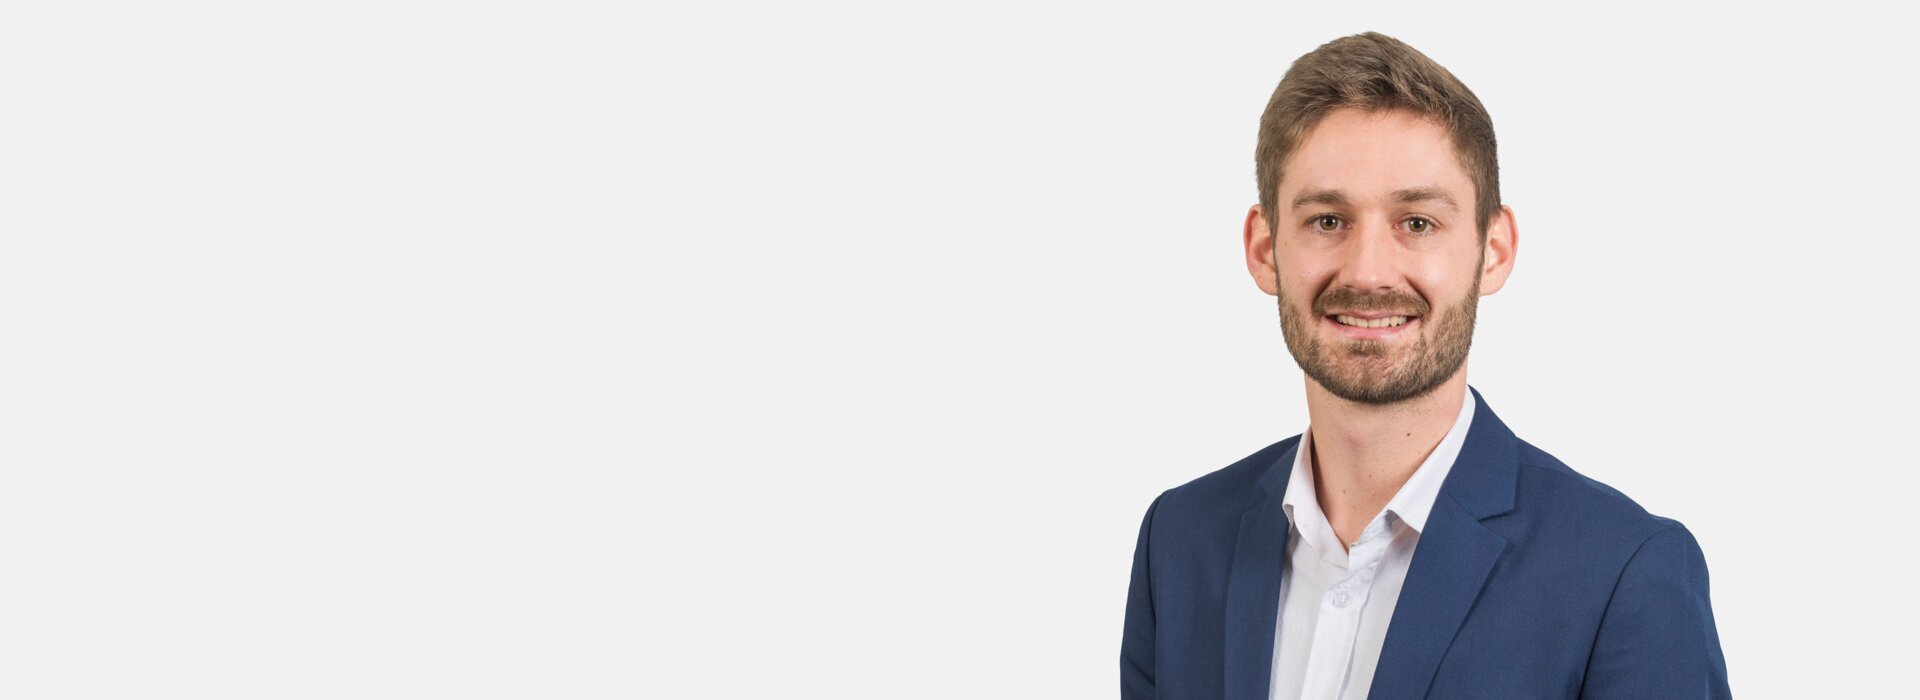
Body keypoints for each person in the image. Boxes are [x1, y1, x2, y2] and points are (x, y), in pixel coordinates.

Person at [1119, 32, 1731, 699]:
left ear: (1493, 251)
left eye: (1416, 223)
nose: (1368, 272)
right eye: (1327, 221)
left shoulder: (1625, 573)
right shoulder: (1178, 543)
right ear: (1265, 249)